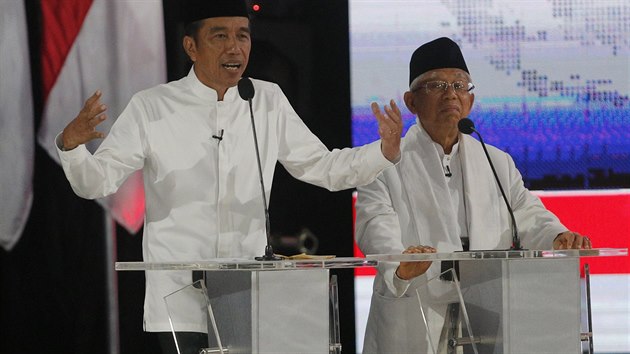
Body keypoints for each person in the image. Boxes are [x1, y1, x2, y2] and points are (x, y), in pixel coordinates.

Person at [55, 1, 402, 353]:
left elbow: (323, 167)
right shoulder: (152, 107)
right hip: (180, 302)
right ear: (191, 46)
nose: (234, 47)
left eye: (242, 35)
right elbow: (96, 183)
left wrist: (383, 151)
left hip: (249, 296)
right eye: (220, 36)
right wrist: (71, 147)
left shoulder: (266, 100)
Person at [354, 37, 591, 353]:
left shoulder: (496, 160)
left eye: (459, 85)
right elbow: (374, 225)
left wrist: (556, 235)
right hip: (416, 305)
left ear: (470, 99)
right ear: (411, 102)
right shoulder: (384, 160)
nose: (451, 93)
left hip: (486, 308)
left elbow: (525, 211)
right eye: (437, 85)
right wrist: (398, 265)